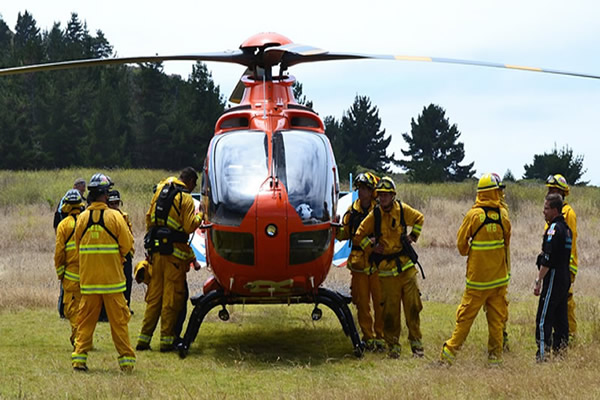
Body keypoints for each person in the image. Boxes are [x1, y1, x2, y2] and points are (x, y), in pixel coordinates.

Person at [440, 173, 511, 366]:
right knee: (496, 322)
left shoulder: (473, 216)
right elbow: (506, 245)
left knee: (464, 320)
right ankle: (495, 360)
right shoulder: (504, 216)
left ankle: (448, 355)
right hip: (499, 281)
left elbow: (461, 246)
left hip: (477, 283)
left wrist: (471, 249)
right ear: (494, 192)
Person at [353, 176, 425, 358]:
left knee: (413, 306)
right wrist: (371, 247)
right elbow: (358, 236)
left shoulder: (401, 210)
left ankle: (417, 346)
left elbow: (419, 219)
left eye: (387, 195)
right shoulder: (374, 216)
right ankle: (393, 347)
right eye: (381, 195)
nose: (384, 198)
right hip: (386, 271)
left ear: (393, 196)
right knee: (390, 311)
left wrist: (412, 237)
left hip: (406, 267)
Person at [71, 173, 135, 372]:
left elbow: (77, 244)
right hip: (112, 282)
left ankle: (79, 359)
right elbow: (127, 246)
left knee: (85, 321)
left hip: (89, 282)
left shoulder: (81, 218)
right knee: (119, 322)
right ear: (105, 194)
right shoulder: (115, 217)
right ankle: (126, 361)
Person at [136, 167, 202, 352]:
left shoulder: (160, 191)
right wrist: (201, 215)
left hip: (156, 254)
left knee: (154, 298)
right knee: (171, 299)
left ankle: (143, 340)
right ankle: (166, 342)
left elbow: (149, 219)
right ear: (190, 181)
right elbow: (189, 227)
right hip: (174, 257)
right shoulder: (185, 198)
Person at [336, 172, 384, 351]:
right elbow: (346, 235)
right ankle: (368, 338)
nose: (362, 192)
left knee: (381, 303)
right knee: (362, 304)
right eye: (360, 188)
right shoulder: (352, 212)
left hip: (377, 265)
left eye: (366, 189)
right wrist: (335, 230)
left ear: (372, 191)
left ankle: (380, 338)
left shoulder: (379, 210)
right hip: (358, 266)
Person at [534, 193, 572, 362]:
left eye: (547, 208)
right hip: (565, 277)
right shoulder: (567, 229)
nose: (544, 212)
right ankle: (561, 354)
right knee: (561, 317)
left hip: (554, 276)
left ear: (555, 210)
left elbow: (548, 259)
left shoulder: (554, 230)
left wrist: (539, 280)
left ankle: (542, 356)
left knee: (543, 317)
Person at [545, 174, 578, 340]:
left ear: (562, 192)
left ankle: (570, 334)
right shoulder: (554, 211)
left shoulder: (568, 213)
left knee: (566, 302)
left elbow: (569, 242)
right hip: (555, 265)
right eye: (549, 189)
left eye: (553, 189)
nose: (549, 191)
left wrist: (568, 267)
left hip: (565, 266)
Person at [54, 189, 85, 348]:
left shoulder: (63, 225)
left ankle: (79, 340)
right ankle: (86, 340)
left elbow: (59, 253)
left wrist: (60, 274)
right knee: (85, 309)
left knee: (72, 310)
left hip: (72, 277)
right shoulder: (87, 221)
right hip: (88, 274)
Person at [107, 189, 134, 313]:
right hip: (112, 255)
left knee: (127, 280)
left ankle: (126, 306)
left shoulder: (124, 216)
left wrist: (130, 251)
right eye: (112, 204)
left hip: (126, 254)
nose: (115, 206)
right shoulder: (106, 218)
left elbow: (129, 234)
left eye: (117, 203)